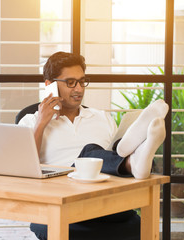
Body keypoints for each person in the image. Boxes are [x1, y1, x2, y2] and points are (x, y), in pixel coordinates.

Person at [18, 51, 169, 240]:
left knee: (111, 151)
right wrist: (42, 123)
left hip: (109, 203)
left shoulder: (102, 117)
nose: (79, 89)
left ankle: (131, 158)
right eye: (70, 82)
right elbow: (23, 167)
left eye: (82, 81)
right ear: (50, 85)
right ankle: (132, 161)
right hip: (64, 204)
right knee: (89, 154)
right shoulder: (30, 122)